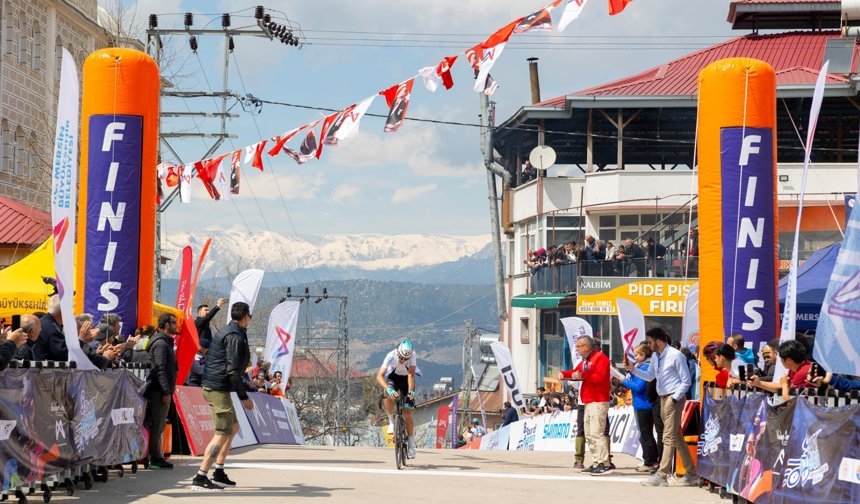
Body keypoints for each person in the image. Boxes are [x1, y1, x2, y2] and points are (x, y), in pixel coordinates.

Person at [194, 302, 254, 491]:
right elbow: (233, 370)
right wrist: (244, 396)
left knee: (233, 427)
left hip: (218, 386)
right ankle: (200, 476)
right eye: (249, 315)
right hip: (217, 388)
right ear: (245, 316)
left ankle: (218, 472)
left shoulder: (235, 331)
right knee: (221, 433)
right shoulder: (234, 336)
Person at [625, 327, 696, 487]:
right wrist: (633, 369)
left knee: (668, 436)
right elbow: (650, 376)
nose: (648, 346)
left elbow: (686, 380)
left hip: (673, 398)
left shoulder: (676, 355)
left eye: (650, 342)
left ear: (658, 341)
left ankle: (662, 474)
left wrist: (675, 398)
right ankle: (691, 473)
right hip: (663, 397)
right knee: (676, 436)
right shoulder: (656, 357)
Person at [559, 336, 613, 476]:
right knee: (589, 433)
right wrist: (564, 374)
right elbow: (575, 372)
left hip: (598, 400)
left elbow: (600, 377)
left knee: (597, 432)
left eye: (579, 346)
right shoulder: (586, 361)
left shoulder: (600, 358)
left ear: (587, 346)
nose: (577, 349)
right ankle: (597, 461)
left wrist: (582, 375)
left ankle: (604, 462)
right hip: (588, 400)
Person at [145, 314, 179, 470]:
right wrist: (166, 391)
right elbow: (159, 369)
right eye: (173, 323)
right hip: (159, 391)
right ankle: (156, 458)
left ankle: (157, 456)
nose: (175, 325)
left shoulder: (165, 342)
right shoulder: (160, 344)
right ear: (166, 325)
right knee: (158, 424)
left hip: (163, 389)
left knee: (160, 424)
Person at [376, 339, 418, 459]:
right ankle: (391, 421)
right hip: (393, 378)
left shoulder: (413, 355)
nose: (402, 360)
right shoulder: (390, 355)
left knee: (407, 413)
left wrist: (411, 392)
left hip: (406, 380)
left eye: (405, 359)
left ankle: (411, 443)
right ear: (398, 353)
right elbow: (379, 376)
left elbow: (411, 376)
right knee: (387, 392)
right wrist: (388, 389)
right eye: (401, 358)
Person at [622, 343, 659, 472]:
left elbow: (638, 387)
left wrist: (623, 379)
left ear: (643, 355)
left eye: (637, 354)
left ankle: (650, 461)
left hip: (644, 404)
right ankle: (649, 459)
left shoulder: (645, 368)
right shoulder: (640, 367)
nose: (635, 357)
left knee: (645, 433)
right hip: (640, 404)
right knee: (644, 433)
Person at [747, 340, 814, 400]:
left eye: (781, 358)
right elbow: (779, 386)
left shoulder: (802, 373)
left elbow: (788, 399)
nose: (780, 361)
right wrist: (758, 383)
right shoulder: (797, 366)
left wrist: (784, 384)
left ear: (788, 360)